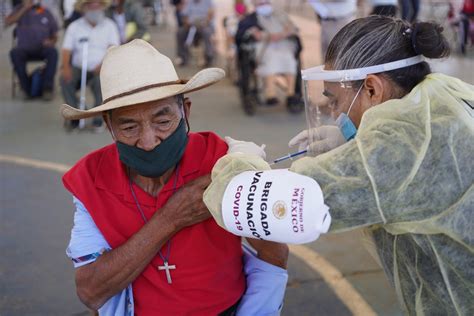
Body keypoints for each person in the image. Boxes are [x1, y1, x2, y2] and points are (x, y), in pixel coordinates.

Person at [204, 16, 474, 315]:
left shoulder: (394, 147)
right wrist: (350, 142)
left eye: (335, 101)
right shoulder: (440, 98)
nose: (334, 114)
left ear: (372, 89)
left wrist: (240, 161)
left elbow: (258, 204)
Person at [61, 39, 289, 315]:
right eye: (129, 126)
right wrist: (172, 217)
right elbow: (90, 291)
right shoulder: (91, 178)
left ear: (185, 111)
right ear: (109, 126)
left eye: (163, 121)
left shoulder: (222, 162)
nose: (148, 141)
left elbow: (274, 254)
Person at [60, 0, 120, 130]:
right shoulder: (74, 26)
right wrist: (66, 68)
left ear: (102, 7)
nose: (94, 7)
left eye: (97, 4)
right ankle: (76, 116)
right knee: (64, 79)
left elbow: (114, 50)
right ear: (84, 8)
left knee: (101, 83)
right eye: (90, 4)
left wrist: (104, 65)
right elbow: (66, 50)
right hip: (79, 67)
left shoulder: (110, 26)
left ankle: (99, 118)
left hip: (101, 68)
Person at [235, 0, 301, 110]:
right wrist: (267, 36)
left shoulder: (280, 16)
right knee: (271, 58)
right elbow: (245, 35)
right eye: (261, 4)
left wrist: (280, 35)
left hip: (284, 46)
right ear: (255, 6)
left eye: (266, 3)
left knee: (290, 59)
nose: (264, 6)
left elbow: (293, 29)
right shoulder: (250, 19)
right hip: (263, 48)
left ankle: (291, 94)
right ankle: (270, 94)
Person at [6, 0, 59, 100]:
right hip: (24, 48)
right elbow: (8, 22)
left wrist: (51, 41)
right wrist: (24, 8)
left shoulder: (45, 11)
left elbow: (55, 35)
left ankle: (47, 88)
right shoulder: (18, 9)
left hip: (43, 48)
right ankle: (25, 88)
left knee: (53, 52)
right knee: (14, 53)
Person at [176, 0, 215, 67]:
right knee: (180, 32)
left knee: (207, 32)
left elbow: (211, 14)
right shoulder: (189, 2)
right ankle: (183, 57)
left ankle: (208, 57)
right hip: (191, 26)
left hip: (204, 25)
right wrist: (187, 22)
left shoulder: (208, 2)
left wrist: (205, 22)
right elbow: (184, 15)